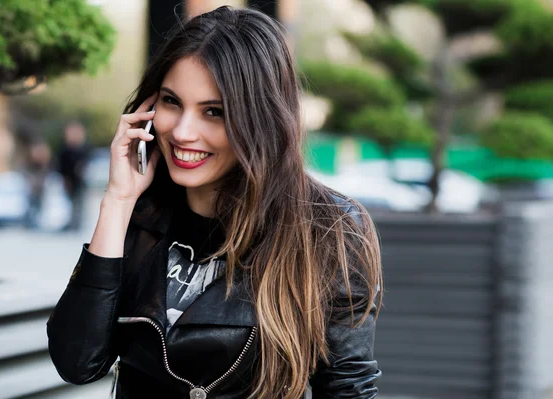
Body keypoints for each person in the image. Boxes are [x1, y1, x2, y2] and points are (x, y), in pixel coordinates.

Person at [47, 6, 383, 399]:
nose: (183, 131)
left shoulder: (328, 229)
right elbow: (76, 362)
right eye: (172, 102)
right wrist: (118, 200)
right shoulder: (139, 212)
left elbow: (348, 388)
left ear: (261, 119)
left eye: (214, 112)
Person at [57, 120, 90, 230]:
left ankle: (77, 223)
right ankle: (72, 223)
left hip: (80, 180)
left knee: (79, 202)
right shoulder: (65, 149)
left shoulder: (83, 148)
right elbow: (62, 167)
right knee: (71, 202)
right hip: (70, 180)